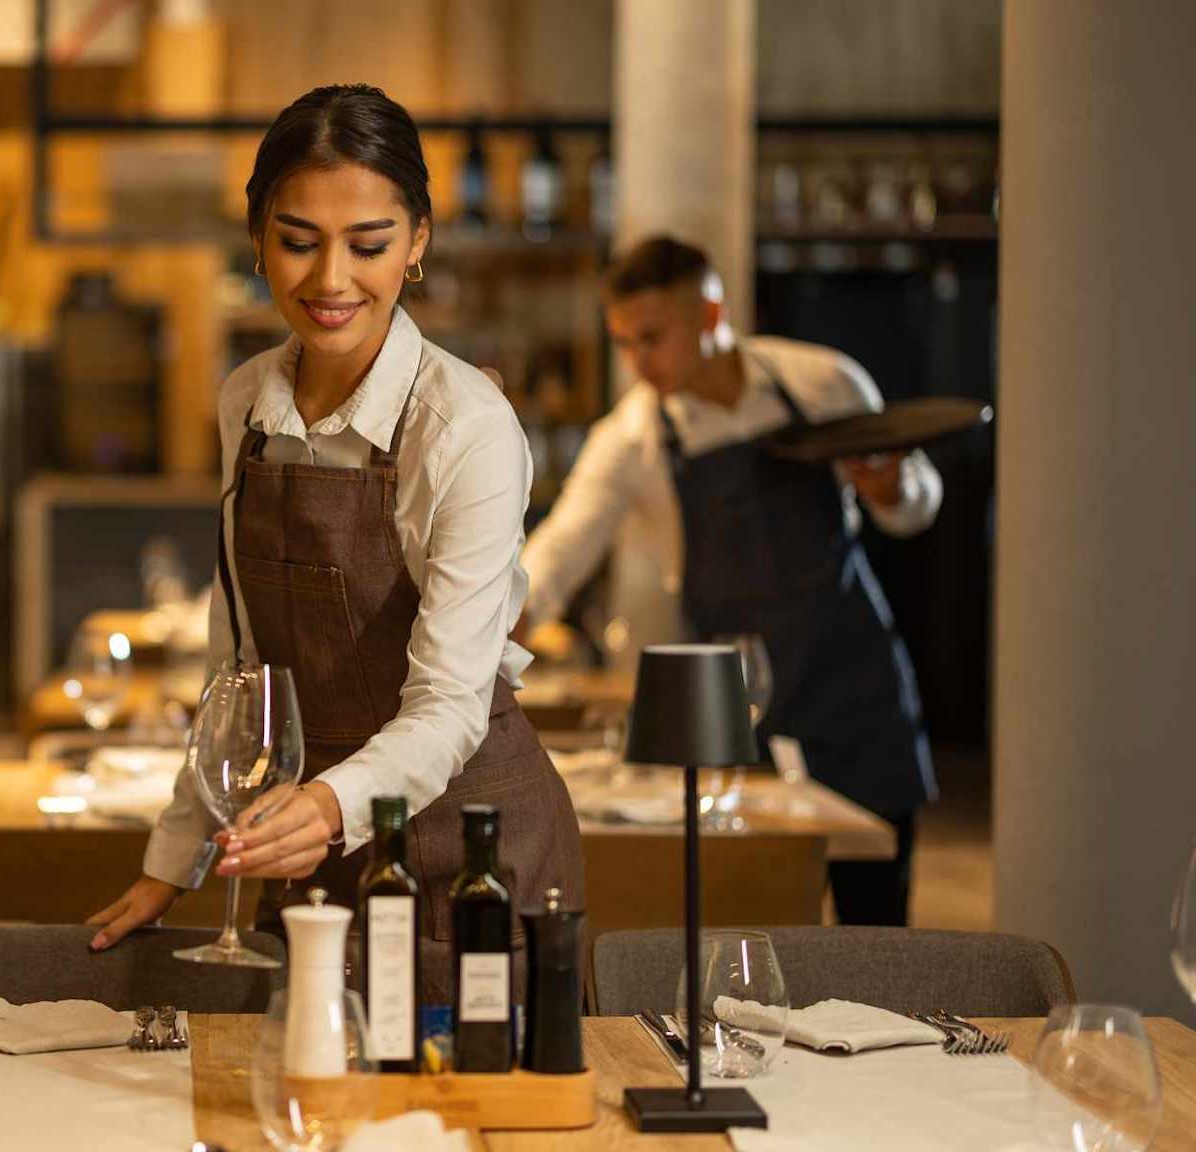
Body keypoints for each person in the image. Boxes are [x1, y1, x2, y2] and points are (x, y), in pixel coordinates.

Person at [86, 84, 583, 1002]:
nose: (330, 281)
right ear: (258, 236)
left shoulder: (464, 424)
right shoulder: (246, 400)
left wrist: (325, 807)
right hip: (307, 843)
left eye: (369, 244)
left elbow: (448, 706)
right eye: (298, 240)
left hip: (469, 845)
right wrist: (175, 858)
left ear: (419, 242)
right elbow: (237, 669)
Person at [520, 234, 941, 925]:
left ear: (711, 318)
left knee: (877, 927)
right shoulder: (631, 440)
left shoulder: (822, 383)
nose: (635, 362)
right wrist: (508, 610)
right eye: (623, 342)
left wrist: (892, 485)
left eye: (651, 338)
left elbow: (915, 504)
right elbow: (560, 548)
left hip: (855, 687)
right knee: (750, 919)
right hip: (740, 705)